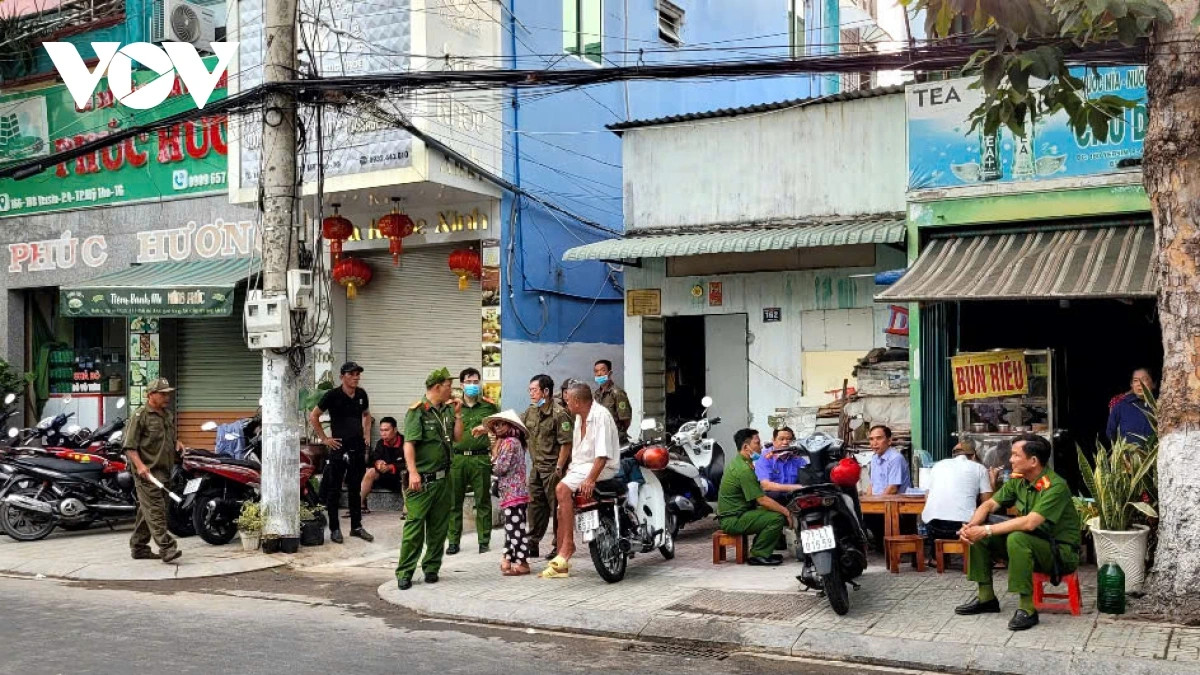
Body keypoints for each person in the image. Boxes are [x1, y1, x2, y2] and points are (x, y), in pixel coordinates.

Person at [954, 434, 1080, 631]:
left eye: (1015, 455)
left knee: (1017, 538)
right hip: (1033, 544)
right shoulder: (1019, 481)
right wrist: (971, 527)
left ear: (1033, 461)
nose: (1010, 460)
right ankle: (986, 598)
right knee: (979, 537)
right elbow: (988, 505)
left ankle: (1027, 609)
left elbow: (1030, 523)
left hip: (1060, 553)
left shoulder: (1055, 486)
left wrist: (986, 529)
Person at [541, 382, 620, 578]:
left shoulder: (600, 415)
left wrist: (591, 479)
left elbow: (602, 455)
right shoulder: (578, 418)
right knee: (561, 508)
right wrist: (570, 470)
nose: (566, 405)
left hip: (603, 467)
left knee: (561, 489)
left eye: (568, 401)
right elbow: (578, 455)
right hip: (583, 467)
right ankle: (561, 561)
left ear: (577, 401)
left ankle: (569, 546)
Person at [396, 367, 463, 590]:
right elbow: (409, 444)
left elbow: (458, 438)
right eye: (448, 386)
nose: (451, 390)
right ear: (437, 387)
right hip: (422, 480)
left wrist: (459, 415)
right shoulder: (418, 411)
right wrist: (413, 472)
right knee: (414, 528)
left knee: (438, 528)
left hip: (444, 479)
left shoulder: (446, 411)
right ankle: (405, 572)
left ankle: (431, 567)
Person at [309, 361, 374, 544]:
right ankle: (335, 529)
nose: (356, 377)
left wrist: (367, 434)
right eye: (352, 374)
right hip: (338, 447)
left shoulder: (361, 394)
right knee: (334, 489)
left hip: (357, 447)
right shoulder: (332, 395)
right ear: (342, 377)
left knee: (355, 488)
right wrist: (325, 439)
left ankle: (356, 527)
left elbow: (367, 415)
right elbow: (313, 416)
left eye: (357, 374)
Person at [123, 377, 184, 564]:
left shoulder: (167, 415)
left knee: (148, 509)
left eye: (168, 394)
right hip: (146, 472)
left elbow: (168, 437)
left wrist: (178, 444)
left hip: (164, 470)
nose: (167, 397)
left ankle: (139, 546)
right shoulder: (139, 416)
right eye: (162, 394)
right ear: (150, 395)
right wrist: (140, 466)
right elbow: (129, 446)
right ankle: (167, 547)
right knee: (156, 510)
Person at [716, 428, 792, 566]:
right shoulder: (743, 470)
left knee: (773, 511)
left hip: (739, 514)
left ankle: (761, 549)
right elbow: (761, 499)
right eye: (757, 443)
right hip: (733, 520)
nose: (761, 446)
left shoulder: (743, 463)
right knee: (777, 517)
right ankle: (758, 554)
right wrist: (786, 512)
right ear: (746, 447)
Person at [447, 367, 500, 555]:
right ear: (461, 385)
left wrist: (494, 448)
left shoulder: (489, 406)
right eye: (468, 382)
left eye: (475, 382)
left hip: (480, 458)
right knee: (454, 502)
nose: (472, 385)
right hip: (458, 459)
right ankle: (453, 541)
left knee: (483, 501)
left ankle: (484, 541)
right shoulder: (452, 407)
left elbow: (499, 430)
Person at [522, 374, 573, 560]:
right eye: (530, 390)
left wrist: (560, 467)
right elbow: (518, 426)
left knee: (558, 508)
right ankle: (533, 542)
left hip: (553, 468)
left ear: (546, 391)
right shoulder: (531, 412)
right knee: (535, 506)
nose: (531, 394)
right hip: (537, 468)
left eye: (534, 390)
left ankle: (559, 546)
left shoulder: (559, 414)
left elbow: (567, 443)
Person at [921, 439, 994, 559]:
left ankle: (936, 559)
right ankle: (992, 558)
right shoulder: (979, 468)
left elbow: (927, 496)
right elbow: (987, 502)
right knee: (988, 518)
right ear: (974, 455)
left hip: (933, 527)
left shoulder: (938, 465)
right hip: (963, 528)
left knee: (935, 517)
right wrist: (992, 481)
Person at [485, 409, 532, 576]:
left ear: (510, 425)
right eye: (495, 425)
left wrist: (491, 462)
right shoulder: (515, 441)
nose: (497, 427)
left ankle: (522, 563)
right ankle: (507, 558)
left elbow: (500, 468)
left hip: (512, 492)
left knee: (515, 529)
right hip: (516, 492)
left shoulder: (509, 443)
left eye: (501, 424)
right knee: (512, 527)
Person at [360, 416, 405, 517]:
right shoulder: (381, 443)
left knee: (406, 474)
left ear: (395, 430)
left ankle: (407, 509)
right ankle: (360, 504)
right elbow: (373, 459)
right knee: (371, 471)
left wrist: (391, 467)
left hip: (401, 479)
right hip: (385, 478)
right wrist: (377, 463)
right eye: (381, 430)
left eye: (386, 430)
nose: (383, 433)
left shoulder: (405, 443)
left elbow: (409, 463)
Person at [754, 427, 809, 503]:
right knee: (775, 494)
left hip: (793, 498)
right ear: (773, 440)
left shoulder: (796, 458)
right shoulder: (765, 458)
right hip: (774, 501)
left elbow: (808, 476)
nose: (785, 442)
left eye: (789, 439)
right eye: (781, 439)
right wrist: (797, 487)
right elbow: (766, 485)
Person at [1107, 368, 1155, 444]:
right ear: (1131, 384)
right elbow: (1111, 433)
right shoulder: (1120, 406)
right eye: (1135, 380)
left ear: (1154, 384)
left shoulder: (1161, 407)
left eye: (1144, 379)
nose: (1140, 383)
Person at [594, 360, 633, 444]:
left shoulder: (617, 393)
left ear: (610, 373)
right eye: (596, 371)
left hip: (617, 441)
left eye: (602, 370)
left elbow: (626, 419)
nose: (599, 374)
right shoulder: (596, 394)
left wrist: (619, 433)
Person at [867, 425, 911, 495]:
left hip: (894, 503)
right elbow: (872, 485)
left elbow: (892, 488)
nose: (874, 443)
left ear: (889, 441)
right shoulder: (874, 458)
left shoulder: (895, 458)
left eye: (879, 438)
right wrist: (868, 503)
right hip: (878, 502)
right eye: (871, 439)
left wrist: (877, 504)